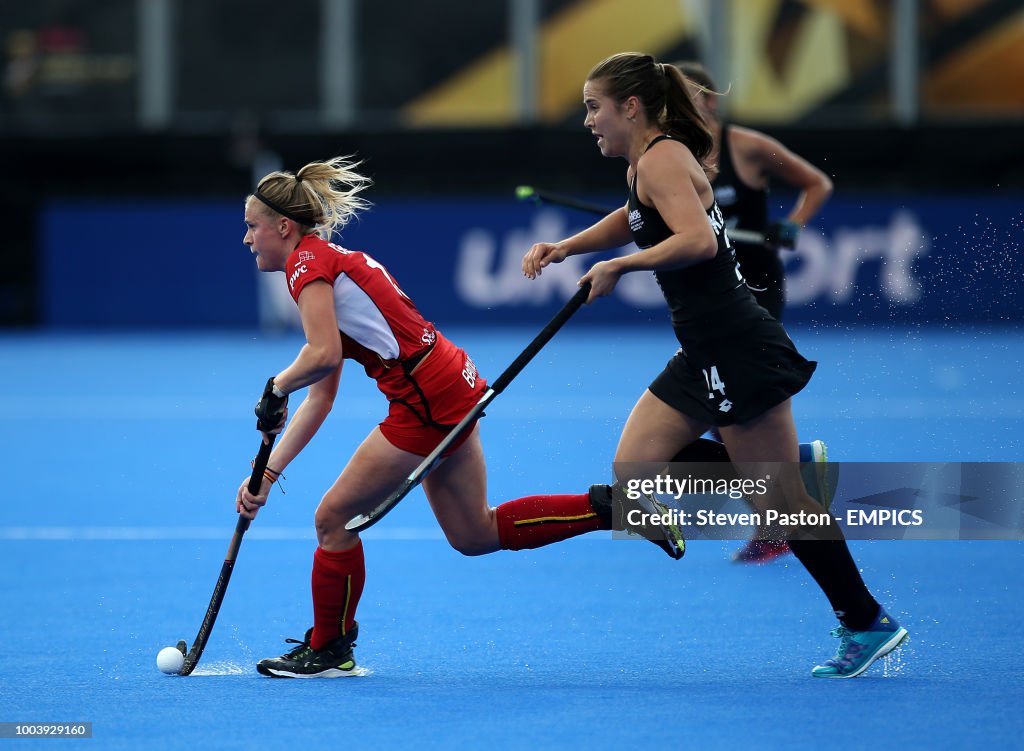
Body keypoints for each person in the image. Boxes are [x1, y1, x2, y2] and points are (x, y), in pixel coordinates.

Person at [521, 52, 907, 678]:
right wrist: (571, 246)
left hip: (735, 346)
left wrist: (621, 266)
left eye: (594, 107)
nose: (588, 120)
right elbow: (638, 218)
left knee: (781, 503)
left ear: (631, 106)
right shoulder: (646, 163)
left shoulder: (663, 156)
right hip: (704, 350)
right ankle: (795, 466)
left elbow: (696, 238)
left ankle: (865, 621)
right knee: (635, 469)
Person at [236, 156, 685, 678]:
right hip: (451, 381)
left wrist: (275, 384)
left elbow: (320, 359)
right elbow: (322, 394)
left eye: (252, 227)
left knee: (332, 521)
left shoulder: (306, 266)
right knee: (474, 533)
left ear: (283, 227)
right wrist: (266, 474)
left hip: (426, 400)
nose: (247, 239)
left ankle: (329, 646)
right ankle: (612, 507)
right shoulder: (321, 261)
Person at [674, 60, 836, 564]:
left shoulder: (746, 146)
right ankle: (792, 469)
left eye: (685, 99)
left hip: (754, 289)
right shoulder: (677, 156)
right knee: (726, 406)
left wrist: (794, 225)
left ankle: (778, 516)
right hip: (710, 293)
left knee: (732, 403)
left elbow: (816, 184)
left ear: (711, 102)